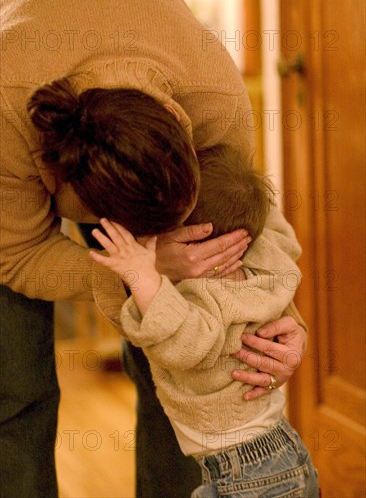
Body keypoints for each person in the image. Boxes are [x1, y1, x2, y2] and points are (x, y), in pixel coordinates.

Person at [0, 0, 307, 498]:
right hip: (15, 152)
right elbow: (17, 255)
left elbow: (247, 213)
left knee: (176, 360)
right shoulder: (8, 118)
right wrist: (141, 271)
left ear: (179, 120)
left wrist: (280, 313)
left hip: (136, 61)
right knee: (14, 387)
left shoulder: (212, 96)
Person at [89, 144, 319, 497]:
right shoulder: (263, 266)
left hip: (249, 472)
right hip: (267, 459)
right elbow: (282, 238)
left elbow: (184, 342)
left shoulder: (210, 296)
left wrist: (141, 275)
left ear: (195, 239)